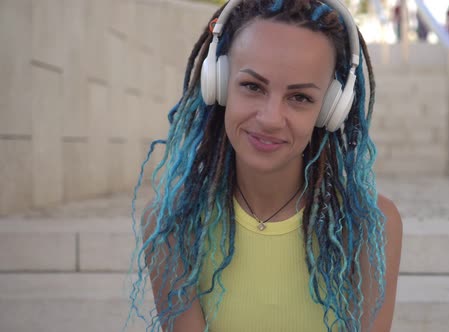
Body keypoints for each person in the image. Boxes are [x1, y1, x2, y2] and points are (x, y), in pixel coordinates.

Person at [126, 0, 403, 331]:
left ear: (331, 109)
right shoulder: (172, 224)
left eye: (300, 97)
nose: (270, 119)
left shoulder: (371, 226)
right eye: (253, 86)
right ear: (219, 83)